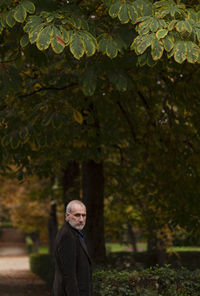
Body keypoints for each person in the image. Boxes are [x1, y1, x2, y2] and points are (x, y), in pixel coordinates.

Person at [53, 200, 93, 296]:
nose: (81, 220)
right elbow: (69, 275)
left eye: (84, 215)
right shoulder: (67, 236)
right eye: (77, 215)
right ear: (67, 216)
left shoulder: (74, 232)